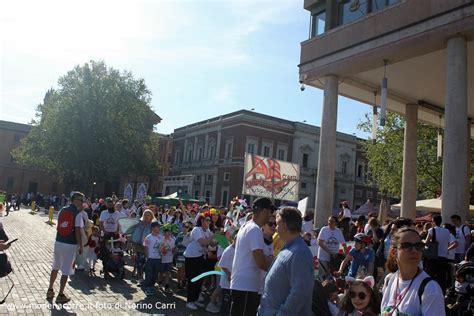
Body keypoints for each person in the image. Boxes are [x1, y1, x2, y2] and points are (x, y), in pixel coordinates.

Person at [258, 207, 314, 316]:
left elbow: (300, 292)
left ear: (284, 225)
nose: (275, 227)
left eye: (277, 223)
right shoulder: (290, 249)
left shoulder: (299, 253)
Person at [381, 227, 445, 315]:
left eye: (418, 246)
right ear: (394, 252)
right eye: (407, 246)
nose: (414, 250)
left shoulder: (431, 289)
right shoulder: (390, 280)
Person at [230, 197, 275, 316]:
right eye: (271, 212)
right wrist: (273, 262)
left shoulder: (248, 226)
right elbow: (261, 262)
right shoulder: (254, 230)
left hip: (244, 285)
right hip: (246, 286)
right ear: (264, 211)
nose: (271, 215)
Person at [46, 191, 85, 304]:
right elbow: (78, 231)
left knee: (55, 266)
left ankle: (50, 289)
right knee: (66, 270)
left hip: (59, 241)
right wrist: (81, 246)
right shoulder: (77, 214)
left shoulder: (63, 209)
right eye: (80, 200)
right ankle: (61, 294)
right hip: (70, 243)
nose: (82, 202)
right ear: (74, 200)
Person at [184, 213, 214, 310]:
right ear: (201, 220)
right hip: (192, 257)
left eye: (209, 220)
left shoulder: (208, 231)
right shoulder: (196, 229)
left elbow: (212, 244)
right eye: (207, 220)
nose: (209, 222)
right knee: (192, 279)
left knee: (199, 280)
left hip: (200, 257)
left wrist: (219, 236)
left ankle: (195, 299)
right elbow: (203, 242)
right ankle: (189, 301)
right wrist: (213, 236)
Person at [424, 214, 451, 293]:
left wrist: (422, 241)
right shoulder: (447, 231)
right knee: (441, 277)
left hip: (434, 256)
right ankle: (442, 293)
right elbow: (448, 243)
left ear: (434, 221)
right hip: (444, 257)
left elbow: (426, 243)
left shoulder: (432, 230)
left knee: (431, 276)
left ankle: (431, 292)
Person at [318, 215, 347, 280]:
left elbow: (344, 244)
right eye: (329, 221)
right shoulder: (324, 229)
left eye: (332, 221)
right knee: (322, 278)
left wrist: (345, 256)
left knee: (332, 278)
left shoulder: (338, 231)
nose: (329, 223)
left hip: (333, 259)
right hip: (323, 258)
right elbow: (320, 243)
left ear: (336, 223)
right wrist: (330, 252)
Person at [142, 221, 163, 296]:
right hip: (151, 258)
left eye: (159, 227)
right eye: (157, 227)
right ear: (153, 228)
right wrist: (148, 257)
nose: (159, 228)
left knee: (155, 274)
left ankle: (151, 286)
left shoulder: (160, 237)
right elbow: (145, 247)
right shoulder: (148, 237)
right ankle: (147, 288)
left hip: (158, 258)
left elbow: (162, 246)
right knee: (149, 274)